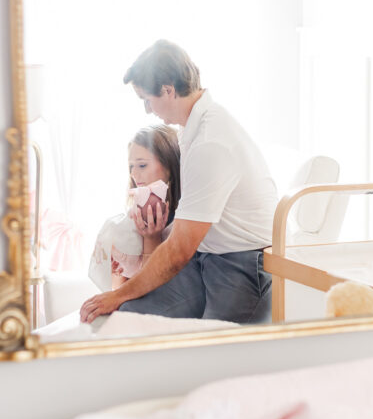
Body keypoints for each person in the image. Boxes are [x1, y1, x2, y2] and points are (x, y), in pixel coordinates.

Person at [80, 39, 277, 324]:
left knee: (209, 352)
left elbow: (179, 250)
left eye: (147, 100)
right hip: (205, 257)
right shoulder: (190, 130)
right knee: (126, 319)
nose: (148, 109)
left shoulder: (211, 141)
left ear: (168, 90)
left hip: (241, 264)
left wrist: (118, 294)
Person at [87, 125, 181, 293]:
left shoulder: (184, 220)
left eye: (142, 165)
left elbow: (153, 292)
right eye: (131, 166)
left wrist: (152, 238)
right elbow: (121, 292)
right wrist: (119, 271)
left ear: (169, 166)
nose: (133, 174)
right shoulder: (134, 218)